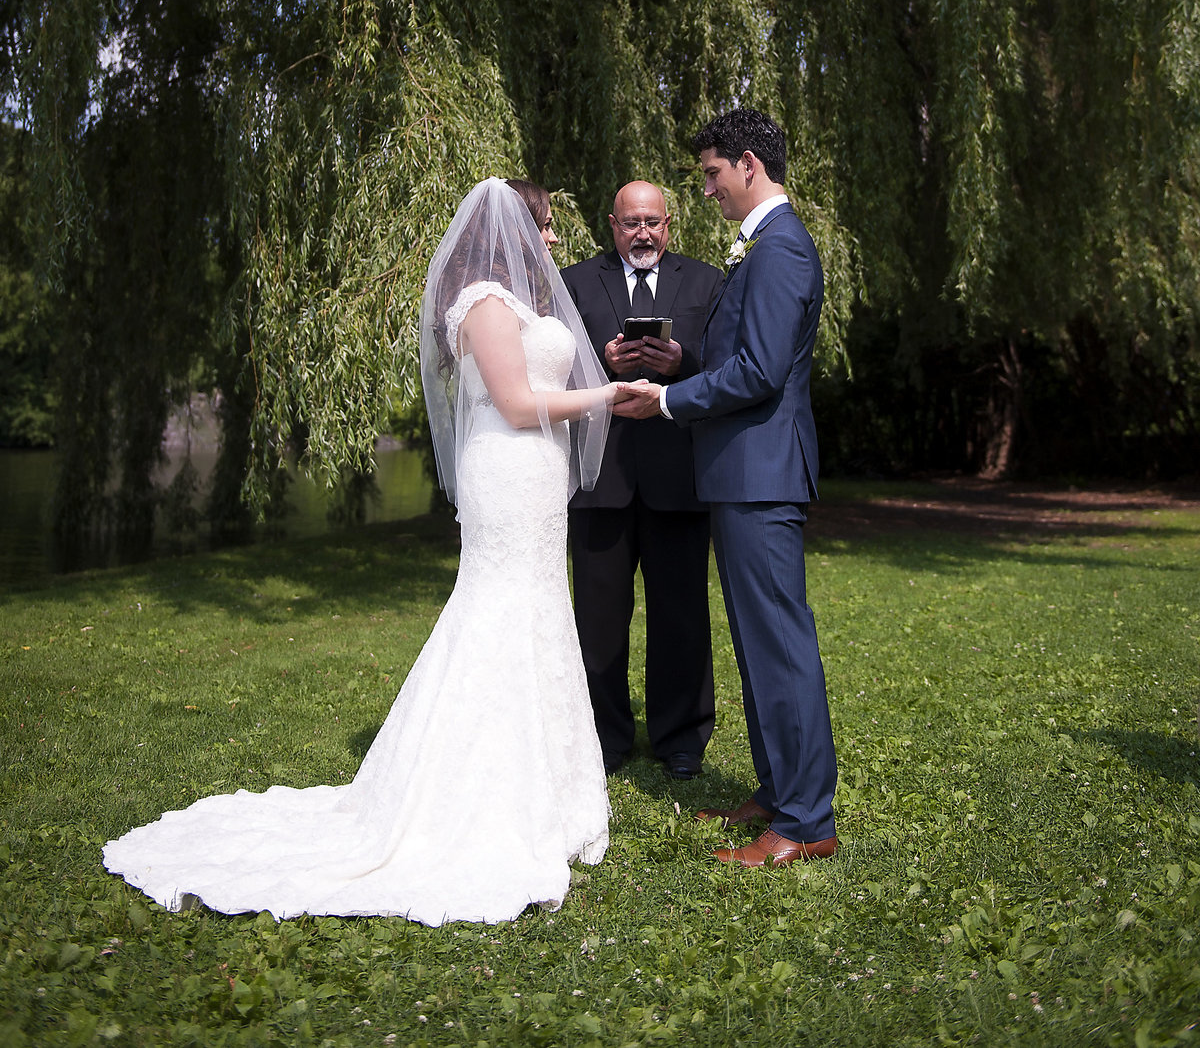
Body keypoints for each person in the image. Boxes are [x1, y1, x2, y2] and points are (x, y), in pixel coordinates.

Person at [103, 177, 619, 923]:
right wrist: (607, 396)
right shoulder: (484, 304)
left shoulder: (518, 307)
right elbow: (514, 404)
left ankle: (550, 792)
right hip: (507, 473)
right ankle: (478, 796)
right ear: (513, 231)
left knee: (537, 609)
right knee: (500, 610)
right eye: (546, 229)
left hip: (533, 479)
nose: (552, 243)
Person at [613, 110, 838, 866]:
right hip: (743, 472)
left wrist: (669, 398)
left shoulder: (780, 250)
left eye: (711, 174)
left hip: (762, 473)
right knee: (756, 645)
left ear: (748, 163)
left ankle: (807, 821)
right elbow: (739, 351)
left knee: (780, 646)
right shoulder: (762, 249)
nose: (706, 189)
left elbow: (761, 372)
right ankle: (777, 790)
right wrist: (685, 355)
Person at [562, 181, 722, 778]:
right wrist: (600, 361)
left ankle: (681, 738)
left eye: (652, 221)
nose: (643, 233)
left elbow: (726, 362)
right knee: (599, 616)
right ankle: (603, 736)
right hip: (601, 475)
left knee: (681, 612)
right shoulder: (576, 283)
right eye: (631, 222)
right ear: (613, 225)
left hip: (678, 473)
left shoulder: (706, 281)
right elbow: (553, 365)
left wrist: (682, 363)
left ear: (669, 223)